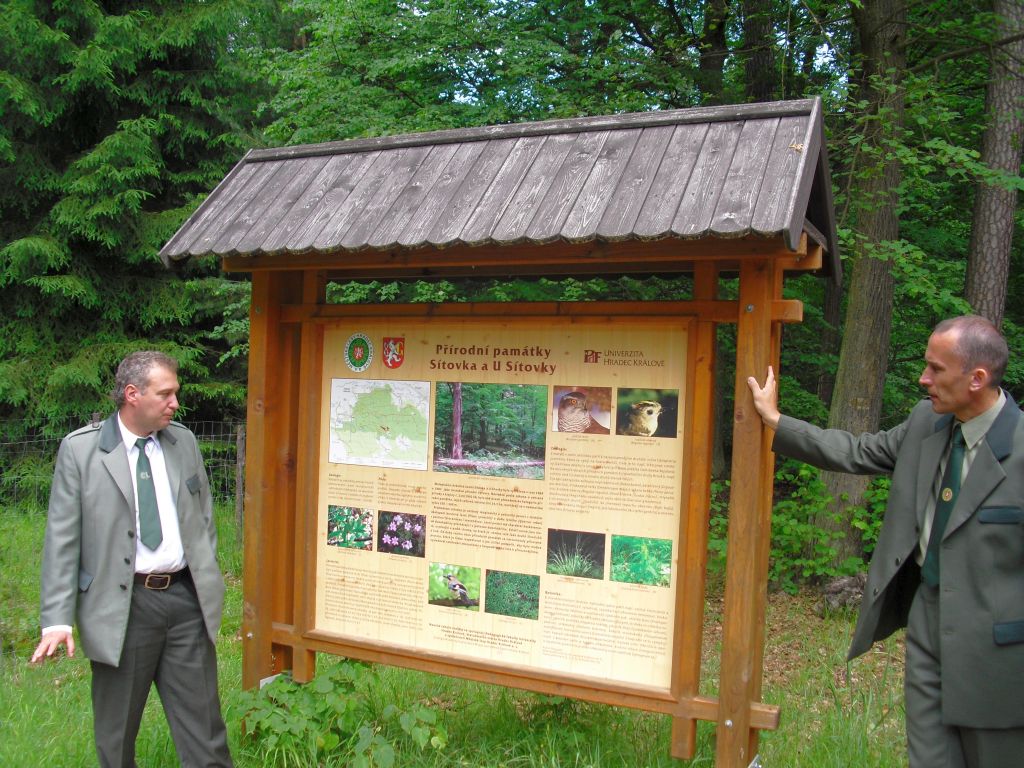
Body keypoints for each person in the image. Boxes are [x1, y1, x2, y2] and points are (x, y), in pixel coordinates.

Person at [747, 315, 1023, 768]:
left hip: (1000, 654)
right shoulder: (926, 423)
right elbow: (858, 451)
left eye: (936, 369)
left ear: (977, 378)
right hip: (927, 626)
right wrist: (776, 420)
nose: (923, 378)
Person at [31, 350, 233, 767]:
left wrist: (205, 575)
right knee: (117, 736)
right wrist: (56, 619)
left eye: (176, 392)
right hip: (121, 608)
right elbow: (62, 539)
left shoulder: (183, 442)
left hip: (185, 602)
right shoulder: (81, 451)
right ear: (132, 394)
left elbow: (203, 519)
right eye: (165, 394)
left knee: (206, 736)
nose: (175, 403)